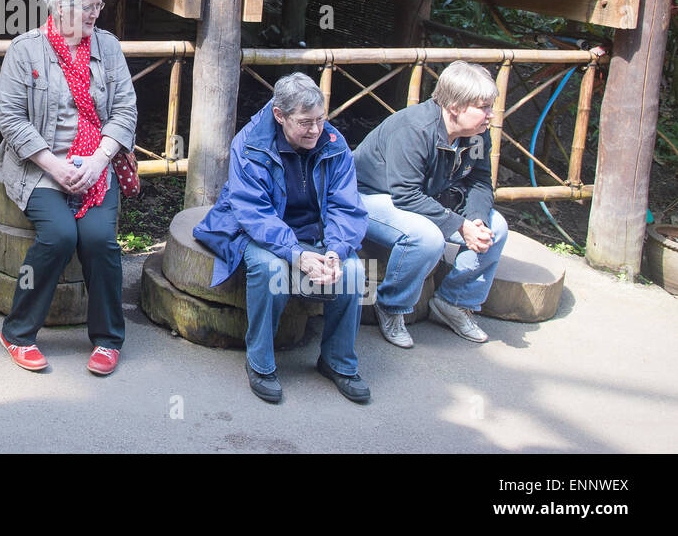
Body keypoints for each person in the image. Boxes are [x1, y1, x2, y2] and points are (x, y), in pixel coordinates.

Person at [0, 0, 137, 375]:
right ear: (59, 7)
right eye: (88, 7)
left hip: (95, 162)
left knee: (100, 241)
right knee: (58, 236)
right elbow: (11, 119)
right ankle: (17, 332)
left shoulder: (108, 48)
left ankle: (108, 340)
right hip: (40, 166)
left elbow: (125, 110)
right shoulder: (26, 50)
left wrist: (99, 160)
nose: (95, 14)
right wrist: (54, 165)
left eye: (99, 6)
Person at [193, 73, 370, 404]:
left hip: (315, 234)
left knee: (354, 271)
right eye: (305, 123)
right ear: (279, 115)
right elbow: (254, 213)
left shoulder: (334, 143)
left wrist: (335, 251)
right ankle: (260, 363)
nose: (316, 130)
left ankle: (338, 361)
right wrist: (296, 255)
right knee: (272, 271)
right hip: (260, 231)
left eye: (320, 119)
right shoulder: (250, 144)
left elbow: (346, 207)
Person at [354, 60, 508, 347]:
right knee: (427, 237)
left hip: (423, 195)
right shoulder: (414, 130)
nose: (491, 114)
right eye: (483, 106)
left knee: (496, 227)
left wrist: (476, 219)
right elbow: (405, 194)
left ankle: (454, 301)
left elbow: (479, 180)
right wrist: (460, 226)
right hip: (367, 196)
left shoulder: (476, 133)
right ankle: (391, 305)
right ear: (455, 106)